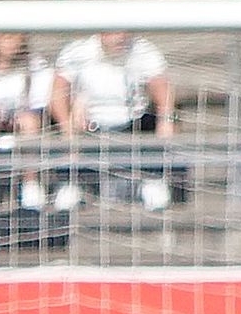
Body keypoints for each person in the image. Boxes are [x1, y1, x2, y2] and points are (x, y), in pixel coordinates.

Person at [49, 30, 181, 212]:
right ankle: (71, 184)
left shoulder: (144, 51)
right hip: (89, 127)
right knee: (60, 126)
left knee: (164, 123)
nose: (120, 38)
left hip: (133, 124)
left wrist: (166, 120)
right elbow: (57, 93)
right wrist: (67, 126)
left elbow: (162, 90)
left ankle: (152, 180)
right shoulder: (77, 51)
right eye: (113, 33)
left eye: (124, 32)